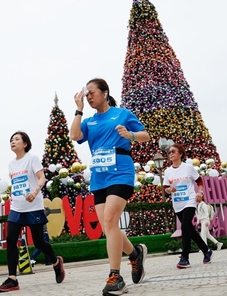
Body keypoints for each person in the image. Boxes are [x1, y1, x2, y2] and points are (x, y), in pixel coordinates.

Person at [70, 78, 149, 296]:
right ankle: (135, 254)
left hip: (121, 172)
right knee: (108, 227)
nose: (89, 97)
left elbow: (145, 135)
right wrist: (79, 110)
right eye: (86, 94)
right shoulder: (89, 121)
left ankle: (116, 277)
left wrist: (130, 135)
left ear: (104, 93)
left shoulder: (122, 114)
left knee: (110, 220)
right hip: (99, 177)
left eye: (92, 92)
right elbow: (75, 135)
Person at [0, 131, 65, 293]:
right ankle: (12, 279)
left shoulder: (32, 158)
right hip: (16, 208)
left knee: (39, 242)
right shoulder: (11, 164)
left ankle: (56, 262)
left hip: (33, 207)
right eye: (11, 140)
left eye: (16, 139)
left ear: (25, 143)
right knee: (11, 239)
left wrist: (35, 191)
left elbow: (42, 178)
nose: (13, 141)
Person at [163, 143, 213, 268]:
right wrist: (169, 189)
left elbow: (199, 181)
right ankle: (206, 250)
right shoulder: (168, 171)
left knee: (185, 225)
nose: (170, 154)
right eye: (169, 152)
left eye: (173, 151)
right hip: (177, 203)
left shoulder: (188, 168)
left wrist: (200, 193)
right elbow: (165, 189)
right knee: (189, 229)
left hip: (190, 200)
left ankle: (185, 258)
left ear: (180, 153)